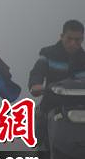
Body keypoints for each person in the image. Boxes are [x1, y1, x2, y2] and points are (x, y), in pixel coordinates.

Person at [28, 19, 85, 151]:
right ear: (61, 36)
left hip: (79, 109)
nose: (73, 43)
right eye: (69, 39)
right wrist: (35, 85)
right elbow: (37, 72)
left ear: (82, 39)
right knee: (41, 132)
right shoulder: (48, 54)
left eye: (77, 40)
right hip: (52, 105)